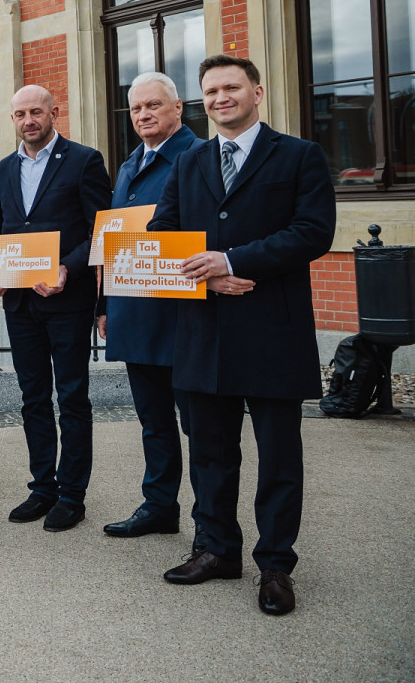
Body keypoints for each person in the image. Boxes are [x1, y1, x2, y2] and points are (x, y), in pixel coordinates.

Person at [151, 55, 334, 616]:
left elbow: (313, 232)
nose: (220, 97)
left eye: (231, 87)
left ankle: (275, 563)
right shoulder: (191, 161)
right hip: (206, 329)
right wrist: (208, 279)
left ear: (258, 90)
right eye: (210, 90)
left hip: (272, 328)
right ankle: (216, 549)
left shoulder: (299, 155)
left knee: (279, 454)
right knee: (209, 450)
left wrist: (232, 260)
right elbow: (162, 231)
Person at [0, 85, 111, 532]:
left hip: (67, 300)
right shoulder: (3, 169)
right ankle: (43, 486)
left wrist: (67, 270)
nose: (28, 120)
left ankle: (72, 495)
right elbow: (0, 229)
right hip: (20, 303)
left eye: (36, 112)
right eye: (20, 114)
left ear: (54, 113)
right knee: (33, 398)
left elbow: (101, 231)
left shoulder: (83, 160)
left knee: (72, 397)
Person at [96, 73, 203, 540]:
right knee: (153, 421)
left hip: (184, 316)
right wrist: (103, 305)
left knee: (202, 429)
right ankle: (160, 504)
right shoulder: (128, 166)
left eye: (153, 105)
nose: (143, 115)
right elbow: (109, 246)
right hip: (136, 314)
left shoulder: (198, 158)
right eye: (136, 108)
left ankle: (210, 520)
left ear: (178, 107)